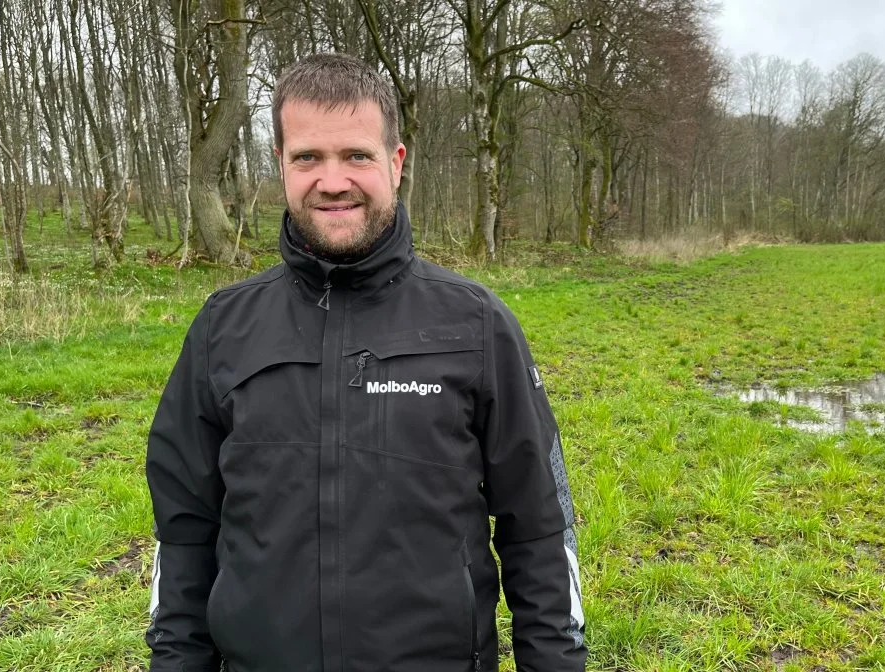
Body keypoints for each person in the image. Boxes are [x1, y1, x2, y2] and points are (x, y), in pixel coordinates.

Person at [144, 53, 586, 672]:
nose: (332, 180)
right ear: (281, 165)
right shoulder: (224, 329)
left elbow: (540, 529)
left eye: (356, 155)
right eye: (307, 158)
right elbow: (184, 532)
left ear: (396, 163)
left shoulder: (476, 324)